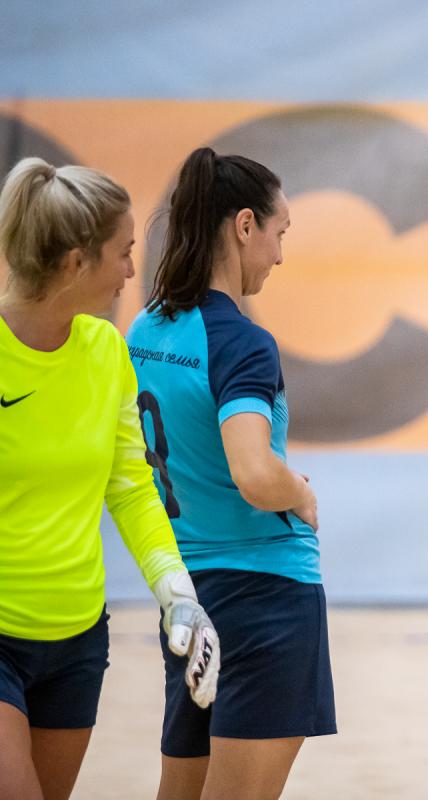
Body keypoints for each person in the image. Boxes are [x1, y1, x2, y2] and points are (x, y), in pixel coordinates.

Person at [0, 158, 219, 800]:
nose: (131, 272)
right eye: (123, 253)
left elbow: (129, 485)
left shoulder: (106, 353)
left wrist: (176, 591)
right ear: (76, 262)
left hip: (76, 642)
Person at [125, 147, 333, 800]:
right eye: (279, 233)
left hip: (189, 591)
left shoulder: (145, 328)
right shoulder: (241, 341)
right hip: (266, 596)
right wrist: (299, 493)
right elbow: (254, 472)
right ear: (245, 225)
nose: (280, 255)